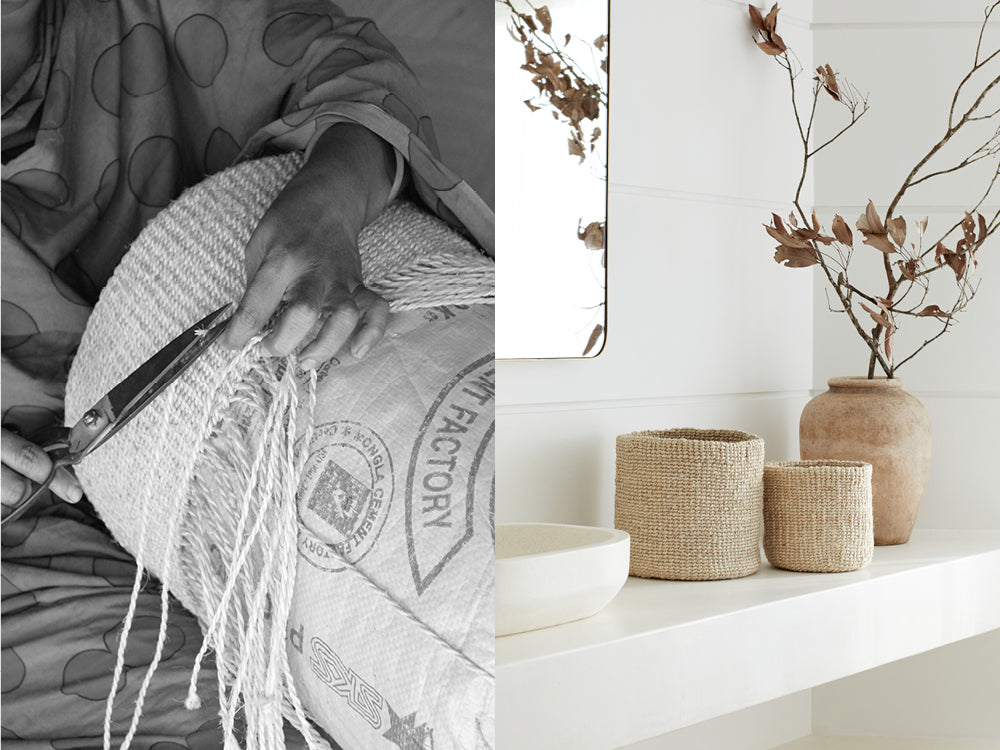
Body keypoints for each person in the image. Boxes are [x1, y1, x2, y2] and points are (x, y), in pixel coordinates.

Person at [0, 0, 493, 745]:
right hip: (32, 544)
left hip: (245, 383)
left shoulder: (146, 16)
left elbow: (352, 74)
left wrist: (329, 198)